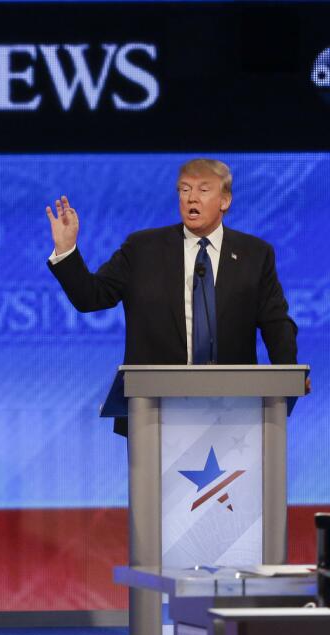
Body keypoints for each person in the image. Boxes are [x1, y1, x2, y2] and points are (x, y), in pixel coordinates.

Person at [45, 157, 301, 432]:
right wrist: (66, 250)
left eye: (203, 190)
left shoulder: (255, 254)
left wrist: (288, 377)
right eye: (184, 189)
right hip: (155, 413)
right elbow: (90, 297)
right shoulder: (142, 249)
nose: (192, 198)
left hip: (232, 413)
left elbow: (276, 324)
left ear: (224, 201)